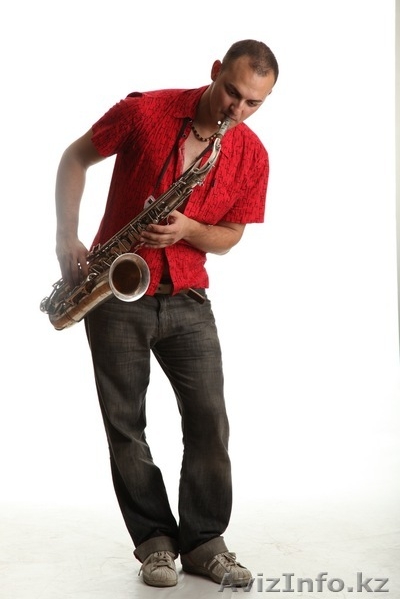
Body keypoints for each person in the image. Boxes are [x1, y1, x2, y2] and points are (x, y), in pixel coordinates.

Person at [54, 39, 279, 588]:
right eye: (232, 92)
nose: (237, 110)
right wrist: (66, 235)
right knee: (125, 425)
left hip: (189, 298)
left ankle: (204, 544)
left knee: (209, 421)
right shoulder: (145, 112)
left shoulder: (252, 155)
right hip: (114, 292)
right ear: (215, 71)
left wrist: (190, 230)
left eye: (253, 103)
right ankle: (155, 543)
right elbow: (74, 158)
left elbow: (230, 236)